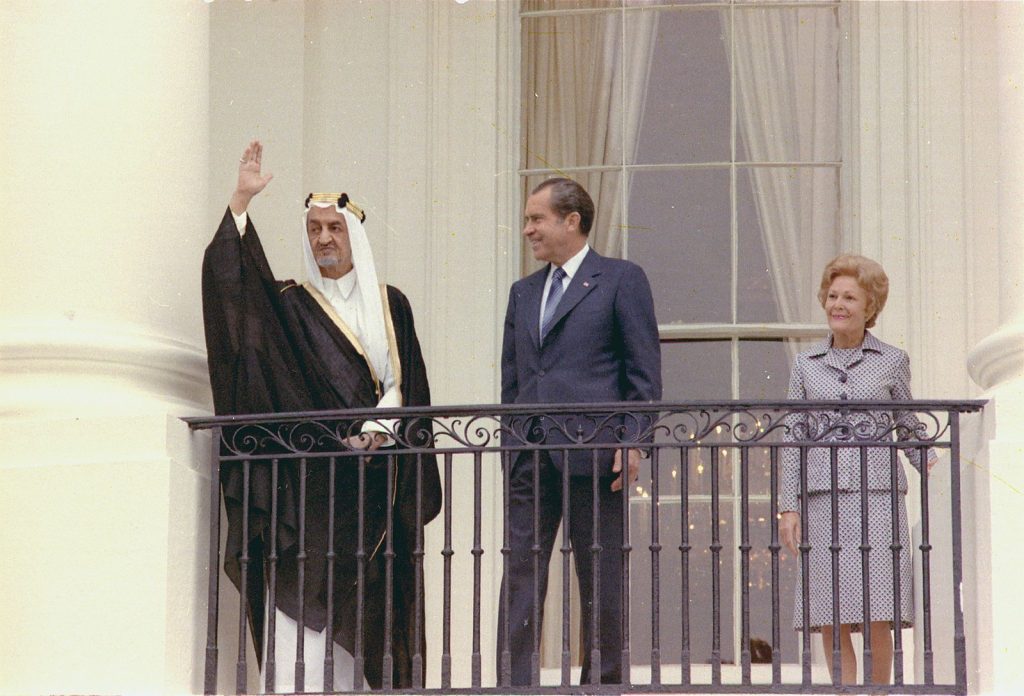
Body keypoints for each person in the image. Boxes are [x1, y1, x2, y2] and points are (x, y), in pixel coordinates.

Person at [202, 140, 441, 691]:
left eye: (333, 228)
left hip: (380, 486)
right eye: (314, 230)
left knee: (377, 620)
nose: (324, 239)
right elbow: (235, 295)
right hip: (313, 491)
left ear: (353, 235)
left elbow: (407, 387)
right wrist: (240, 204)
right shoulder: (290, 305)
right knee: (302, 614)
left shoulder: (391, 303)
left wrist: (380, 429)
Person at [497, 177, 662, 685]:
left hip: (596, 454)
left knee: (600, 579)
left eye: (536, 219)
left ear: (572, 221)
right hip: (530, 457)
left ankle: (603, 684)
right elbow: (513, 379)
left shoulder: (619, 279)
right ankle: (514, 686)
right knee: (520, 576)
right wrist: (512, 447)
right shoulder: (523, 292)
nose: (528, 230)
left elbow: (643, 375)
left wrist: (633, 441)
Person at [778, 254, 936, 685]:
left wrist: (939, 471)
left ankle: (877, 695)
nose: (838, 305)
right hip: (821, 499)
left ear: (870, 307)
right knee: (828, 612)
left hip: (877, 499)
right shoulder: (806, 364)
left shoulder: (891, 360)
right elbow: (793, 434)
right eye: (832, 296)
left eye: (849, 297)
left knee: (877, 610)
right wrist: (786, 507)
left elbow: (907, 427)